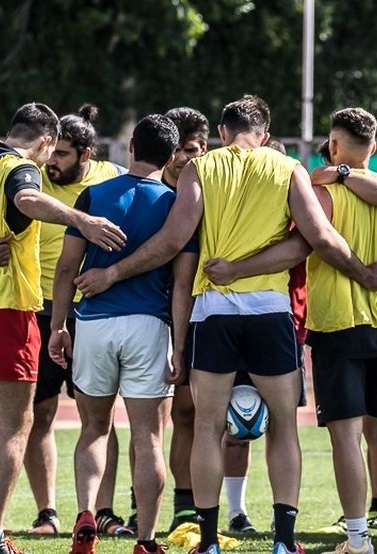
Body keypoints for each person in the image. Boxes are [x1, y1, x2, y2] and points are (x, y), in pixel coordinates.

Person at [77, 94, 377, 554]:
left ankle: (207, 542)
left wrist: (112, 272)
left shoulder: (203, 167)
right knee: (284, 425)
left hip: (213, 312)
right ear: (264, 134)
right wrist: (364, 272)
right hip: (269, 311)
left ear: (222, 133)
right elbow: (316, 238)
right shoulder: (287, 169)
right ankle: (283, 541)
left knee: (207, 426)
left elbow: (172, 240)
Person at [0, 102, 126, 554]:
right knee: (16, 424)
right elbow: (27, 199)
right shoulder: (20, 169)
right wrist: (81, 219)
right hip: (4, 308)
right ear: (46, 140)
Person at [46, 114, 183, 554]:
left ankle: (86, 515)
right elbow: (182, 281)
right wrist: (179, 346)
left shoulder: (95, 194)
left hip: (94, 323)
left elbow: (67, 268)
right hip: (149, 324)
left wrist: (58, 325)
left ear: (129, 148)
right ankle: (145, 540)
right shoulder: (174, 204)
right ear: (172, 156)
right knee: (149, 438)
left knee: (93, 429)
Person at [25, 105, 123, 537]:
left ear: (86, 154)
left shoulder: (111, 176)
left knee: (98, 416)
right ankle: (47, 512)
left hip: (93, 312)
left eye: (62, 155)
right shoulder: (33, 176)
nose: (53, 162)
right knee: (38, 412)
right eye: (52, 153)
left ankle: (102, 511)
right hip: (38, 309)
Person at [158, 107, 211, 530]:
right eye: (174, 149)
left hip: (201, 314)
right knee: (155, 415)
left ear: (204, 149)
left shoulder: (212, 191)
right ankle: (150, 501)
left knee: (195, 413)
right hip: (152, 315)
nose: (180, 158)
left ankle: (192, 502)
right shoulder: (150, 191)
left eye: (189, 149)